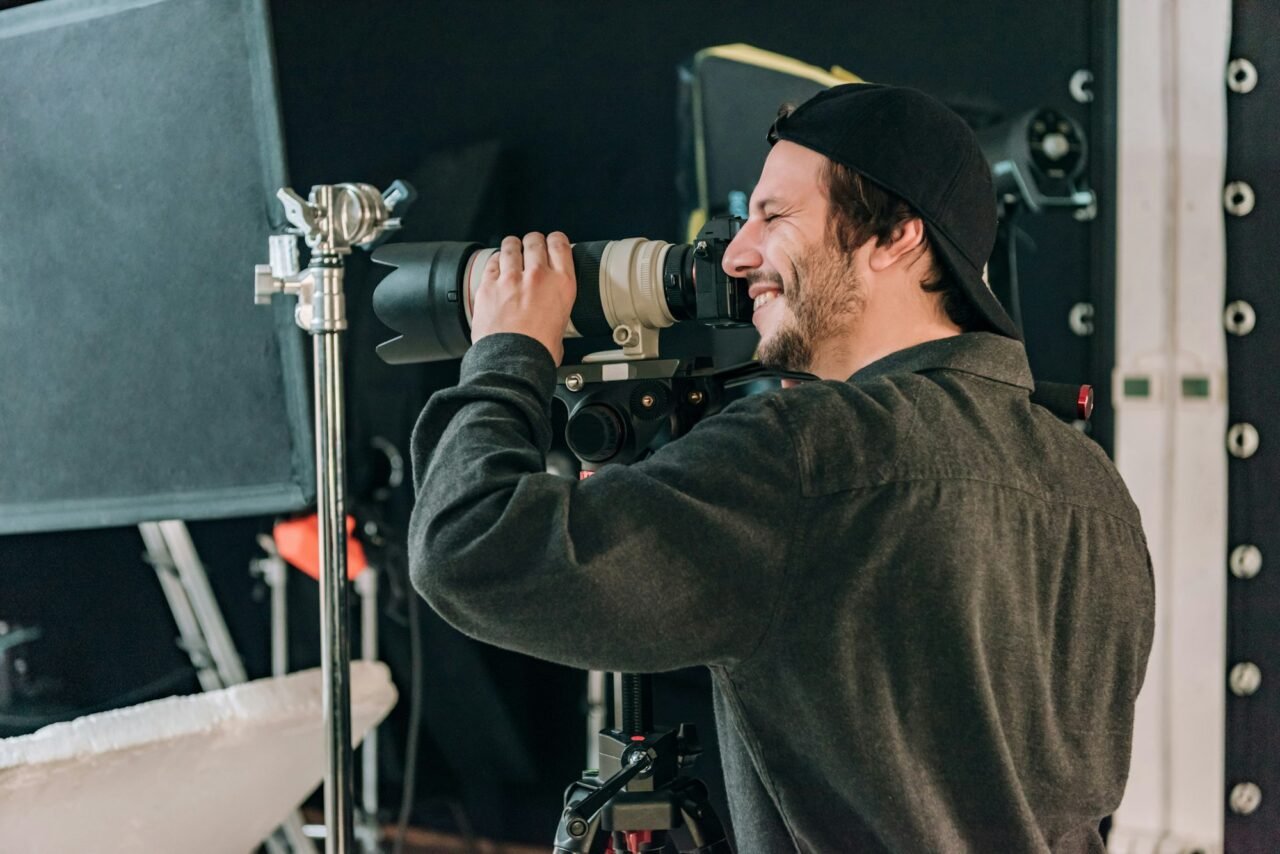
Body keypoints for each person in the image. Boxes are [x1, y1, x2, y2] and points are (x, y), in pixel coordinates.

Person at [407, 83, 1154, 852]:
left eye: (774, 216)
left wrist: (508, 353)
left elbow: (470, 546)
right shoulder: (1095, 486)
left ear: (896, 235)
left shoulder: (808, 450)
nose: (736, 254)